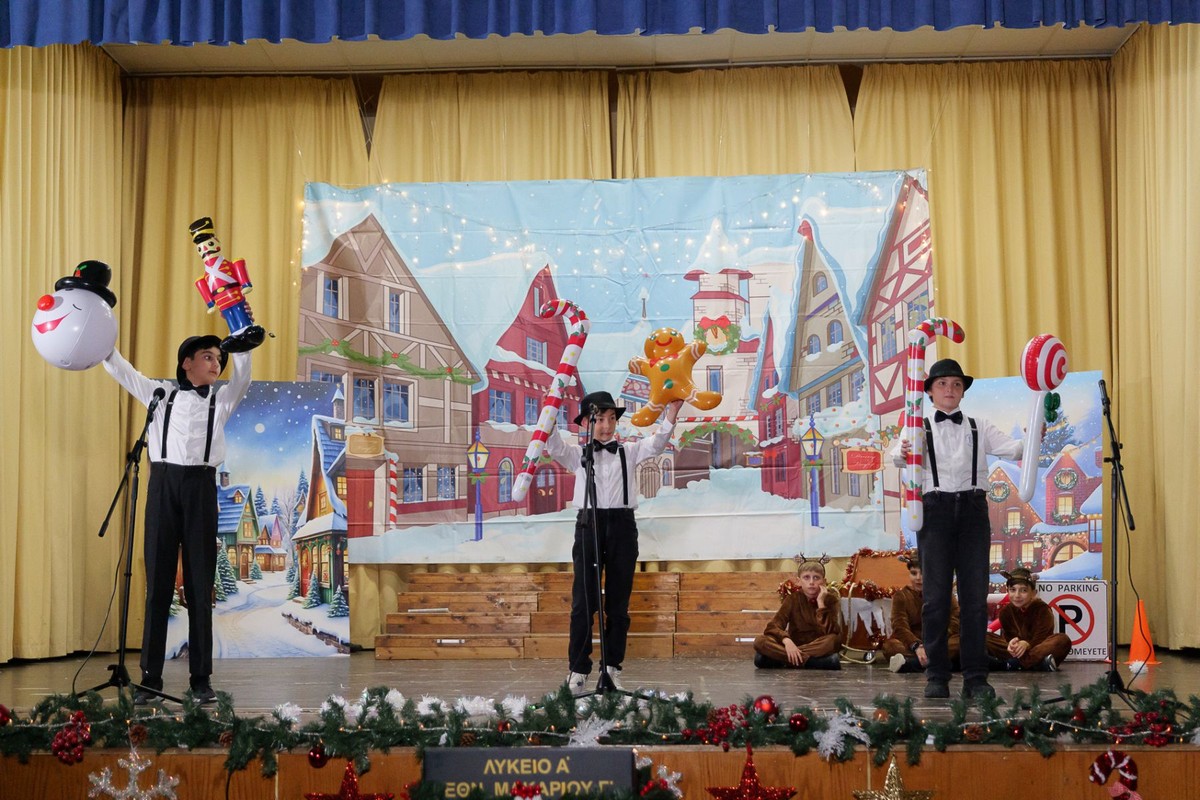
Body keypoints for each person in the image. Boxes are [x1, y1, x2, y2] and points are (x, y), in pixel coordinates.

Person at [103, 334, 252, 704]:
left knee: (200, 587)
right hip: (163, 486)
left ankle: (201, 680)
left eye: (219, 359)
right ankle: (150, 678)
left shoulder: (221, 399)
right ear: (187, 363)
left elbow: (243, 377)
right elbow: (121, 369)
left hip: (201, 488)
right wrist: (100, 331)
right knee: (158, 585)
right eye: (208, 357)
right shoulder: (160, 394)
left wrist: (241, 347)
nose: (216, 364)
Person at [889, 358, 1024, 700]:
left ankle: (976, 678)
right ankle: (936, 675)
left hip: (973, 512)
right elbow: (897, 457)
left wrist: (1034, 436)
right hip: (934, 512)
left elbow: (1015, 449)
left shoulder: (979, 426)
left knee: (975, 600)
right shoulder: (917, 427)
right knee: (935, 599)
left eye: (956, 384)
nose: (950, 389)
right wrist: (903, 451)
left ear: (963, 391)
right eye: (943, 383)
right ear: (930, 392)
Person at [544, 390, 681, 693]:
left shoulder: (629, 451)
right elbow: (553, 446)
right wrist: (550, 413)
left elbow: (657, 443)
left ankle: (611, 668)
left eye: (610, 419)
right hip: (588, 524)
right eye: (599, 420)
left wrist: (671, 414)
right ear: (586, 423)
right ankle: (578, 670)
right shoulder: (577, 455)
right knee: (583, 602)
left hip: (621, 526)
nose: (606, 426)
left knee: (618, 604)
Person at [752, 555, 842, 670]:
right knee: (760, 641)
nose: (811, 582)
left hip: (817, 647)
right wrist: (787, 641)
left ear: (824, 581)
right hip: (793, 645)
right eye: (806, 577)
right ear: (799, 581)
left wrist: (821, 604)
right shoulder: (792, 599)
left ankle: (787, 659)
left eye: (816, 578)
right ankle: (811, 662)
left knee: (833, 640)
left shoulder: (830, 600)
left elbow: (832, 631)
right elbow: (773, 627)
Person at [883, 550, 961, 674]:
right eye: (914, 573)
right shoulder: (901, 596)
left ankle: (912, 664)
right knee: (891, 646)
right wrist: (916, 646)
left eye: (923, 573)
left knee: (963, 641)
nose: (918, 578)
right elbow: (900, 626)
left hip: (941, 640)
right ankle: (952, 663)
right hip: (913, 644)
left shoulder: (944, 594)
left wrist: (935, 642)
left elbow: (955, 620)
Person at [986, 568, 1071, 671]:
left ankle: (1010, 665)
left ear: (1034, 593)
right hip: (1017, 653)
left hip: (1036, 650)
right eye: (1013, 590)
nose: (1017, 595)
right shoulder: (1005, 612)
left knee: (1062, 640)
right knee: (984, 637)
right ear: (1007, 591)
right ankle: (1035, 665)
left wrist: (1027, 644)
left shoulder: (1042, 609)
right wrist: (1012, 644)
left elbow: (1042, 638)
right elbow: (1008, 639)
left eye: (1024, 590)